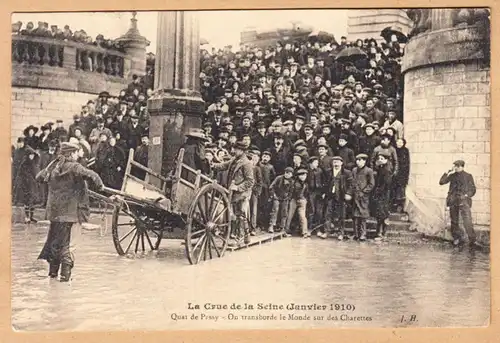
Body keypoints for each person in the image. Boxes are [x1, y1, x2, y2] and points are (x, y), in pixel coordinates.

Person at [36, 142, 104, 282]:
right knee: (68, 244)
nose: (77, 155)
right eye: (76, 152)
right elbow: (92, 175)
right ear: (71, 154)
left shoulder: (54, 166)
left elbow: (39, 178)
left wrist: (51, 166)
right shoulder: (74, 166)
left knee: (55, 242)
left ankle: (53, 275)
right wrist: (100, 185)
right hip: (70, 213)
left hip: (54, 213)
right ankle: (65, 278)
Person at [212, 141, 255, 246]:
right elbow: (223, 166)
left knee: (240, 215)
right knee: (238, 215)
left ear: (242, 151)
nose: (233, 151)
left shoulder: (247, 163)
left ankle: (240, 239)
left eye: (236, 149)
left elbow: (250, 181)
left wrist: (238, 187)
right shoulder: (234, 160)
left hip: (241, 193)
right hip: (233, 192)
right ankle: (246, 236)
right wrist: (213, 165)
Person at [439, 160, 477, 247]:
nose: (455, 168)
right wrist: (447, 172)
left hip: (464, 201)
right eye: (455, 166)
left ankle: (472, 240)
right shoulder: (452, 176)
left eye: (457, 166)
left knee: (467, 221)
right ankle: (456, 238)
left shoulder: (468, 176)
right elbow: (441, 182)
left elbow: (473, 189)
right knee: (454, 221)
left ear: (462, 167)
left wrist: (467, 195)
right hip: (453, 201)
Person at [321, 156, 352, 240]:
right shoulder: (328, 172)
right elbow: (325, 183)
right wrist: (324, 192)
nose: (336, 164)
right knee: (328, 214)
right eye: (334, 162)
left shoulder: (346, 173)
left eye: (338, 162)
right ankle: (326, 232)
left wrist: (348, 193)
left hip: (341, 196)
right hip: (331, 195)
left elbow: (351, 185)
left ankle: (340, 233)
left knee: (341, 215)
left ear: (341, 163)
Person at [351, 154, 375, 241]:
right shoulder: (354, 170)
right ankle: (356, 234)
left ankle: (363, 234)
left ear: (364, 161)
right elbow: (352, 181)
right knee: (355, 216)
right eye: (357, 160)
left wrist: (364, 191)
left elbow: (371, 184)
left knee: (363, 216)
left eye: (360, 160)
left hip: (363, 197)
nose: (358, 162)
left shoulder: (369, 171)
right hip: (355, 195)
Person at [371, 151, 393, 240]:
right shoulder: (381, 168)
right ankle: (380, 233)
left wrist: (378, 191)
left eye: (382, 159)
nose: (380, 160)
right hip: (381, 193)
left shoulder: (386, 170)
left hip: (383, 194)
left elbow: (386, 183)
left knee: (382, 213)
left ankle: (381, 234)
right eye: (379, 158)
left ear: (386, 160)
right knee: (380, 213)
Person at [268, 167, 294, 233]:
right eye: (286, 173)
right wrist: (273, 195)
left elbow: (291, 192)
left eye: (289, 173)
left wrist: (288, 198)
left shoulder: (291, 182)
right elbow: (271, 187)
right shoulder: (279, 178)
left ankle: (282, 227)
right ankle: (271, 226)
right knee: (275, 209)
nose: (287, 174)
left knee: (284, 212)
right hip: (277, 196)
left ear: (291, 175)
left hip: (285, 198)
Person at [285, 168, 310, 238]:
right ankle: (285, 230)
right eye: (301, 175)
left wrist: (305, 199)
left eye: (304, 175)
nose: (303, 177)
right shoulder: (294, 183)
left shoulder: (306, 184)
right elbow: (291, 192)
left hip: (302, 200)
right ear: (298, 176)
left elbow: (307, 193)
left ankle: (304, 232)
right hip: (294, 200)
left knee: (302, 217)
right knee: (289, 216)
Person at [393, 138, 410, 212]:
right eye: (398, 142)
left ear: (403, 143)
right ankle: (394, 206)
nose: (399, 144)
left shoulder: (405, 151)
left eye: (401, 142)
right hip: (394, 173)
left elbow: (406, 163)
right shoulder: (394, 150)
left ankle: (400, 206)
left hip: (402, 174)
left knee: (401, 190)